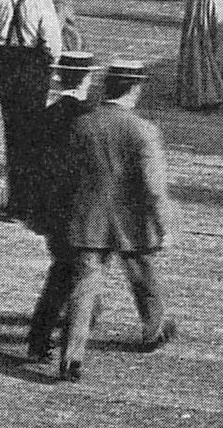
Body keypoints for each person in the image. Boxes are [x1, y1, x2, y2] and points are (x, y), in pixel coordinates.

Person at [46, 58, 175, 382]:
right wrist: (163, 225)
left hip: (89, 218)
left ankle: (71, 357)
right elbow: (154, 188)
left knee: (84, 287)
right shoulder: (144, 131)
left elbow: (65, 177)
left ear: (106, 87)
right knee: (143, 276)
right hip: (132, 221)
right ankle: (153, 329)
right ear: (135, 89)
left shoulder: (83, 125)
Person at [24, 51, 101, 365]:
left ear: (59, 78)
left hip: (53, 210)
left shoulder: (45, 116)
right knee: (79, 273)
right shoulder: (91, 118)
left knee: (62, 270)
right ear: (87, 78)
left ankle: (40, 336)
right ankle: (61, 337)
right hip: (86, 211)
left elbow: (33, 167)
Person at [0, 0, 63, 223]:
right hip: (31, 69)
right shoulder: (41, 2)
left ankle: (14, 199)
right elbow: (52, 44)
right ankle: (28, 202)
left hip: (5, 67)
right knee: (32, 135)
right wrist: (49, 68)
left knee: (12, 133)